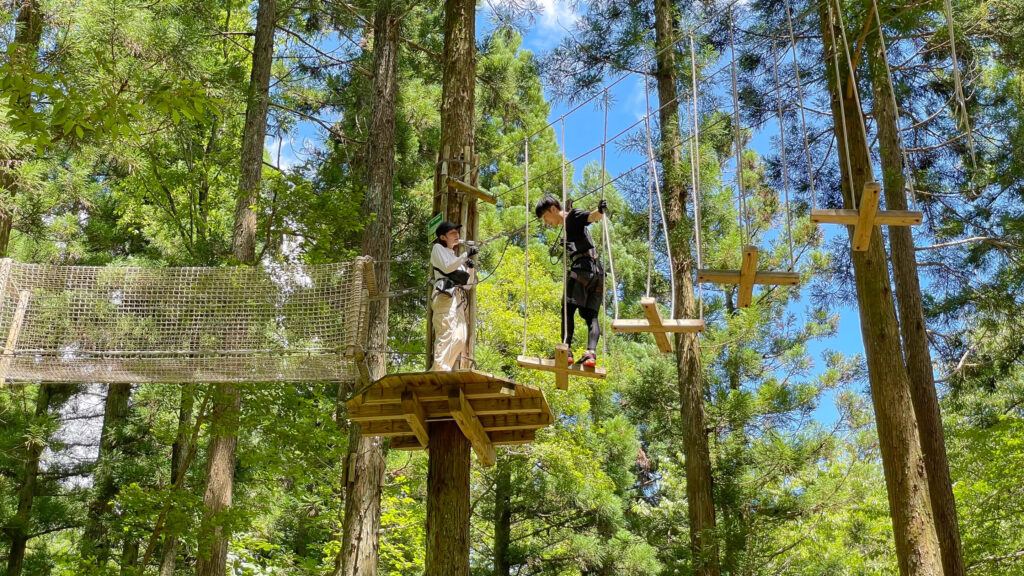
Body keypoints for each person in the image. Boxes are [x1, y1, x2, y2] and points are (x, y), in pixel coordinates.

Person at [534, 195, 607, 367]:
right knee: (591, 316)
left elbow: (591, 217)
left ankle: (565, 349)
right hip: (597, 274)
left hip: (582, 269)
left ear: (553, 209)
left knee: (567, 308)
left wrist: (600, 210)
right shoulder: (570, 226)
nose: (546, 223)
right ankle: (591, 354)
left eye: (545, 217)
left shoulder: (572, 216)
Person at [429, 221, 478, 371]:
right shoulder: (438, 249)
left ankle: (445, 368)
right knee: (446, 332)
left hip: (457, 299)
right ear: (443, 237)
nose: (456, 235)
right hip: (444, 296)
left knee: (460, 337)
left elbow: (468, 286)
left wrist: (470, 269)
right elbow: (447, 267)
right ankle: (439, 369)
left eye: (457, 232)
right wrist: (465, 255)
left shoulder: (456, 258)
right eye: (452, 233)